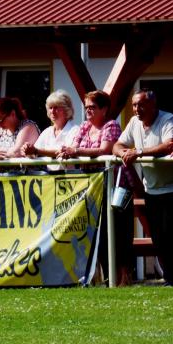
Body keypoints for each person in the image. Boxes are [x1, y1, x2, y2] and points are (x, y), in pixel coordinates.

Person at [113, 89, 173, 286]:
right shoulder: (134, 123)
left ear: (153, 104)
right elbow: (117, 144)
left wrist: (138, 152)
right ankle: (171, 279)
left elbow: (170, 145)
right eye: (134, 105)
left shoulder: (170, 120)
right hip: (152, 188)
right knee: (159, 238)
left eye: (140, 104)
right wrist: (123, 152)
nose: (136, 109)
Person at [58, 90, 132, 285]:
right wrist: (72, 152)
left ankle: (121, 279)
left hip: (111, 188)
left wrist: (75, 151)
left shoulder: (111, 125)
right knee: (95, 235)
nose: (88, 111)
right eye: (87, 107)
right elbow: (74, 148)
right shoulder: (84, 127)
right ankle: (102, 278)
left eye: (92, 107)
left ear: (104, 109)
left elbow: (104, 150)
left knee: (116, 236)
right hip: (91, 190)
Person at [22, 90, 79, 170]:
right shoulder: (47, 131)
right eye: (50, 108)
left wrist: (36, 151)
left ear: (66, 109)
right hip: (50, 180)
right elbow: (34, 153)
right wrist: (27, 150)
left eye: (56, 107)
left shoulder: (75, 130)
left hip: (70, 179)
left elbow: (64, 152)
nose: (52, 111)